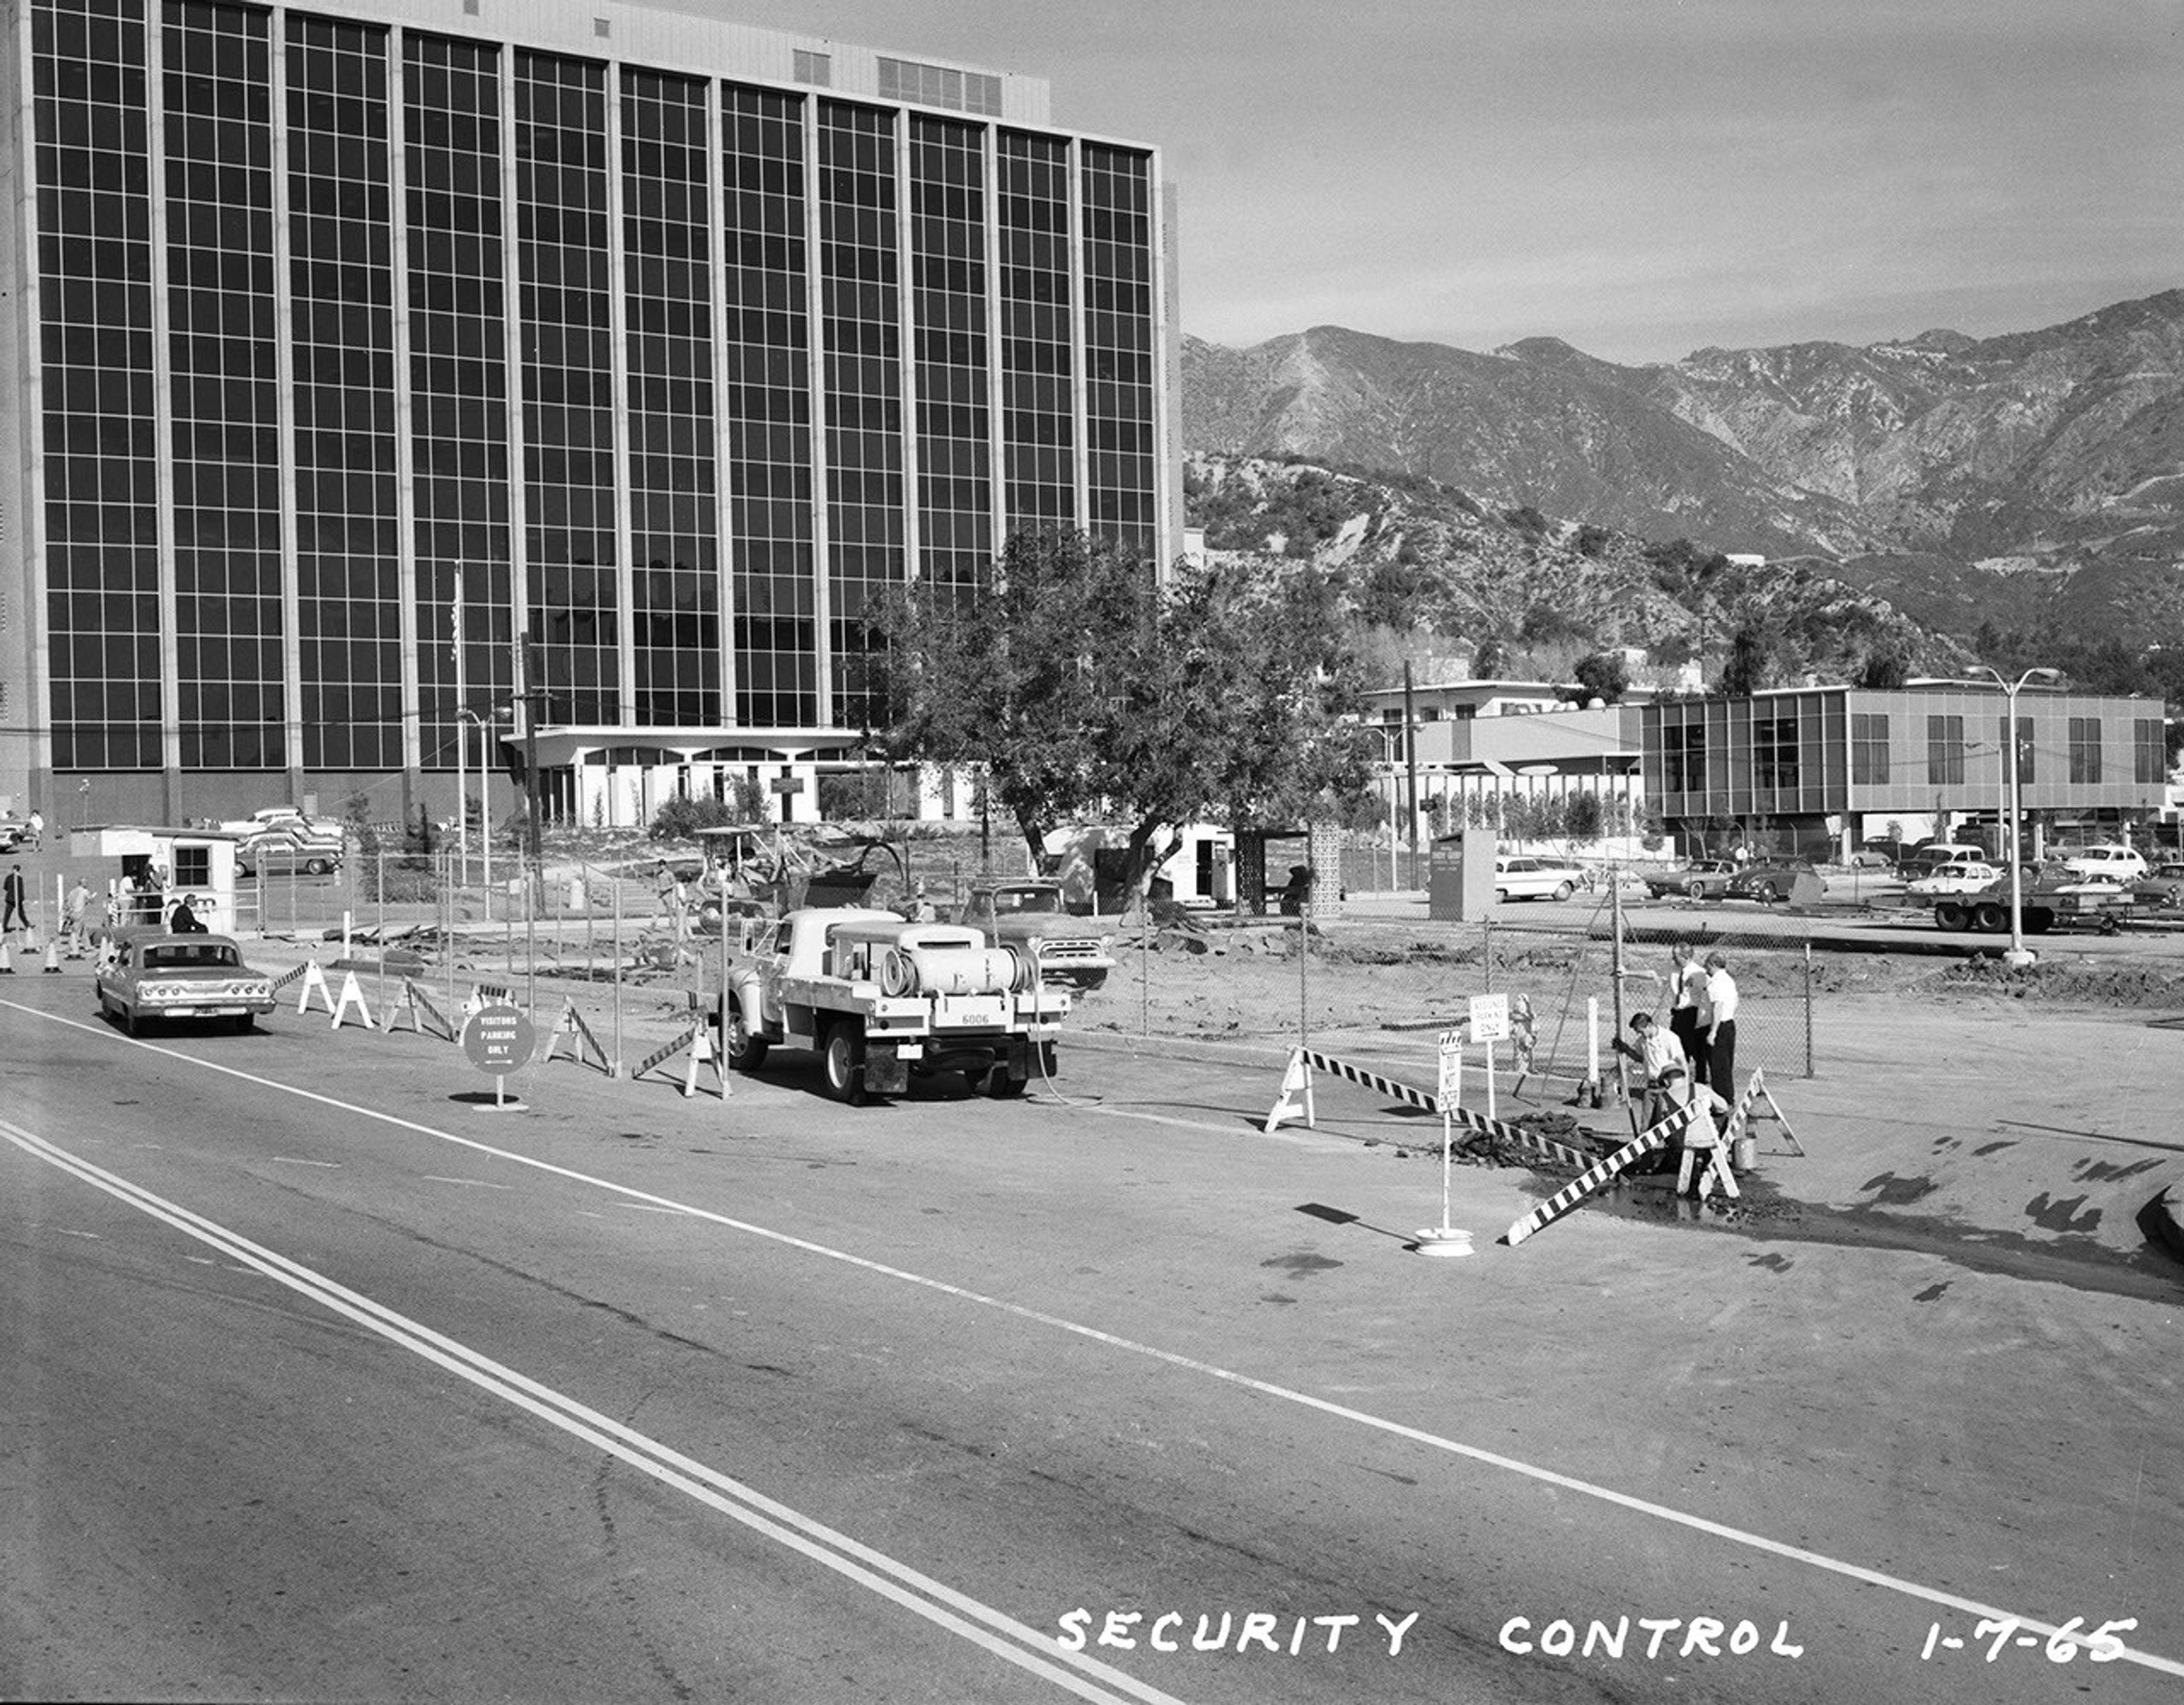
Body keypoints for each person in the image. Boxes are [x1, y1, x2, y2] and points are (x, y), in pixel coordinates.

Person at [1659, 1063, 1734, 1200]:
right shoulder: (1699, 1089)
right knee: (1723, 1118)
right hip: (1707, 1138)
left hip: (1678, 1143)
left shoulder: (1663, 1098)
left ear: (1665, 1081)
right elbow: (1723, 1107)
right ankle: (1707, 1160)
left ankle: (1683, 1163)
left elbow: (1658, 1126)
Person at [1611, 1010, 1687, 1127]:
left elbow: (1682, 1062)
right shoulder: (1643, 1041)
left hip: (1669, 1086)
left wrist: (1684, 1088)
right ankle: (1645, 1141)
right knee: (1647, 1121)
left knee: (1666, 1120)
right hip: (1651, 1086)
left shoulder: (1670, 1038)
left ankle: (1672, 1144)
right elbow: (1639, 1057)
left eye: (1641, 1031)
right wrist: (1625, 1048)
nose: (1640, 1035)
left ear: (1650, 1025)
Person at [1669, 939, 1709, 1082]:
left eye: (1675, 956)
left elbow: (1709, 994)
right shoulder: (1673, 969)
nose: (1672, 958)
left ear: (1686, 957)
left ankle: (1700, 1083)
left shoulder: (1699, 973)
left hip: (1692, 1014)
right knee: (1678, 1051)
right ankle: (1680, 1082)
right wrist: (1628, 973)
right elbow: (1653, 974)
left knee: (1698, 1053)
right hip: (1678, 1015)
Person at [1703, 952, 1740, 1103]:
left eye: (1707, 966)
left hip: (1720, 1026)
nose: (1706, 969)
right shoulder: (1729, 980)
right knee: (1726, 1065)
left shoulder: (1716, 982)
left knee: (1719, 1067)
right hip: (1729, 1024)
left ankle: (1723, 1101)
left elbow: (1718, 1005)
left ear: (1712, 964)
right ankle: (1727, 1098)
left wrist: (1713, 1031)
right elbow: (1736, 1000)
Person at [63, 877, 91, 957]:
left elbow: (67, 900)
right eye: (85, 882)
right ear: (82, 883)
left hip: (72, 913)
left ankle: (88, 946)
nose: (86, 884)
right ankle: (71, 947)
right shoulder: (85, 891)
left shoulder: (73, 891)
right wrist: (89, 900)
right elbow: (91, 900)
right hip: (79, 913)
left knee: (83, 930)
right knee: (76, 932)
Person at [2, 861, 26, 936]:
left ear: (13, 870)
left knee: (7, 914)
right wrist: (22, 899)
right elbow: (21, 890)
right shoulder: (20, 879)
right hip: (18, 899)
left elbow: (5, 887)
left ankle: (4, 927)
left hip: (9, 899)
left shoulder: (9, 877)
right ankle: (27, 925)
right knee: (21, 914)